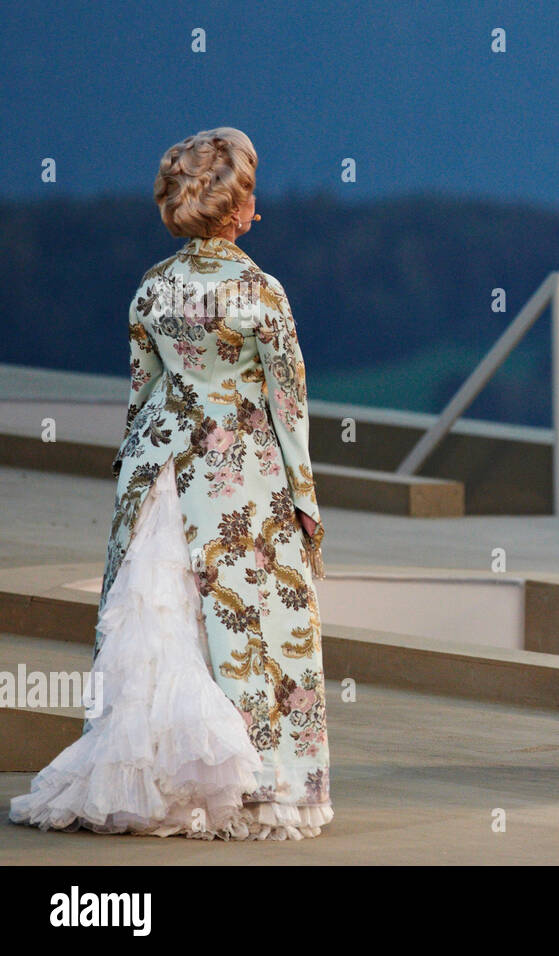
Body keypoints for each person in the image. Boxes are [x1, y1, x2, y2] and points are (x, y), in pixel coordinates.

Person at [8, 127, 333, 839]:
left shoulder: (153, 286)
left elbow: (142, 391)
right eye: (250, 194)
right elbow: (289, 404)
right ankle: (255, 788)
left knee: (163, 631)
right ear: (236, 205)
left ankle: (156, 783)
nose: (257, 207)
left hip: (156, 469)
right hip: (238, 477)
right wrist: (304, 501)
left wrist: (137, 475)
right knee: (248, 625)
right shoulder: (259, 291)